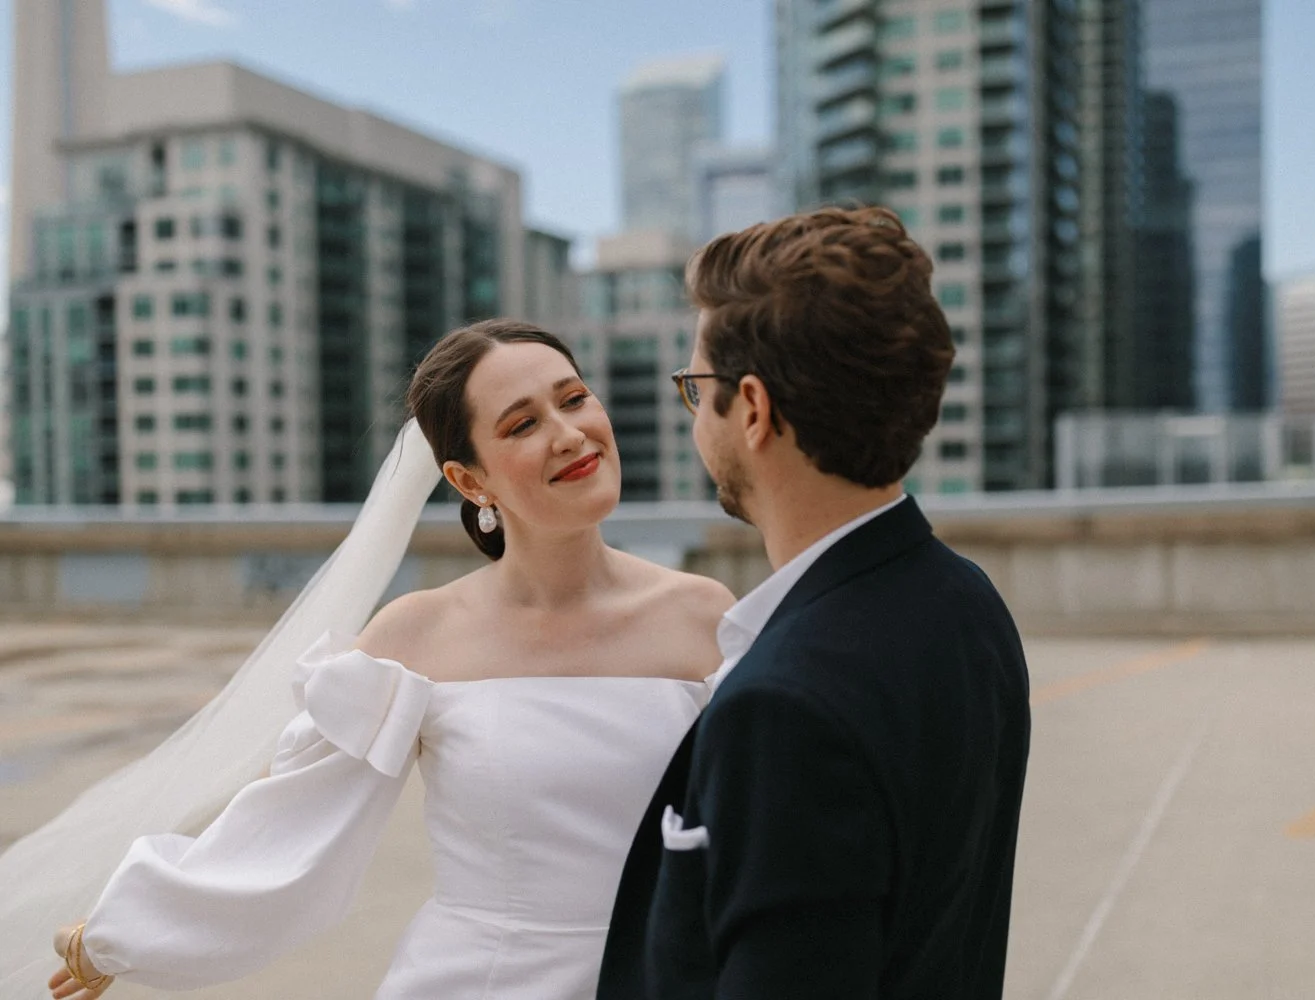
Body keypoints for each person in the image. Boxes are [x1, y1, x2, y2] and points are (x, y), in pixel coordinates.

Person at [38, 319, 734, 1000]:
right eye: (523, 424)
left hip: (673, 971)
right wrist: (123, 931)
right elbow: (289, 819)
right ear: (469, 481)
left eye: (574, 398)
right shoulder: (415, 638)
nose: (570, 434)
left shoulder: (704, 617)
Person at [597, 207, 1032, 999]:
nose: (693, 414)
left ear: (754, 410)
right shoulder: (966, 602)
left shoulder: (784, 709)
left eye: (698, 389)